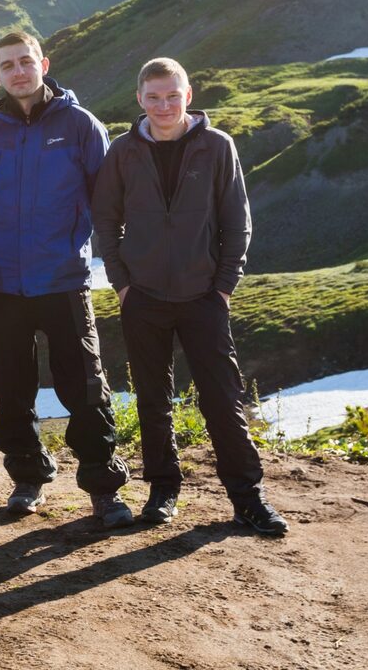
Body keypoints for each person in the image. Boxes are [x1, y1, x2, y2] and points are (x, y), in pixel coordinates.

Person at [90, 56, 289, 536]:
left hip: (203, 297)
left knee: (223, 399)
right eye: (154, 97)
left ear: (189, 96)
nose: (164, 105)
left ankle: (248, 497)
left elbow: (236, 221)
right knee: (153, 400)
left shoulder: (217, 146)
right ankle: (162, 490)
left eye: (172, 96)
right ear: (139, 99)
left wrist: (223, 287)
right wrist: (122, 283)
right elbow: (105, 219)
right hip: (144, 298)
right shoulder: (123, 151)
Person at [0, 32, 132, 528]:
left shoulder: (81, 125)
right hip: (3, 278)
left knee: (83, 385)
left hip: (64, 277)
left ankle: (103, 488)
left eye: (26, 61)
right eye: (8, 65)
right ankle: (29, 475)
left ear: (43, 63)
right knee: (11, 384)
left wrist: (120, 266)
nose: (18, 71)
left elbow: (108, 201)